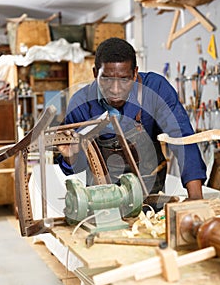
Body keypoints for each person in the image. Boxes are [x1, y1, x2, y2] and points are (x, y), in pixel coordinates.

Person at [57, 37, 206, 201]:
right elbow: (74, 167)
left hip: (149, 193)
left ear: (135, 73)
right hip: (101, 199)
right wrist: (69, 156)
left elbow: (183, 139)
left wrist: (196, 198)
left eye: (124, 79)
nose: (115, 90)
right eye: (106, 79)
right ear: (95, 74)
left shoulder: (155, 89)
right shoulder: (81, 104)